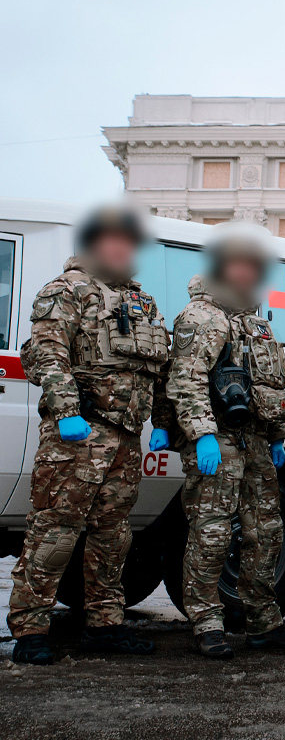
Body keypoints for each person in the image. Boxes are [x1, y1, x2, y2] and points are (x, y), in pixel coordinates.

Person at [8, 204, 169, 664]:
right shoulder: (67, 290)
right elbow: (45, 353)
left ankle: (104, 624)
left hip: (124, 438)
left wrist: (161, 422)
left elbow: (154, 367)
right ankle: (31, 627)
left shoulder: (142, 302)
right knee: (54, 531)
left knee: (112, 536)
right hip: (78, 435)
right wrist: (65, 410)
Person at [167, 222, 285, 659]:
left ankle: (263, 622)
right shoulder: (202, 316)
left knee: (266, 533)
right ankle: (206, 621)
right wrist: (200, 435)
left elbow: (272, 383)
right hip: (217, 440)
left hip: (257, 443)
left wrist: (278, 435)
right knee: (212, 533)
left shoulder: (257, 322)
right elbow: (187, 381)